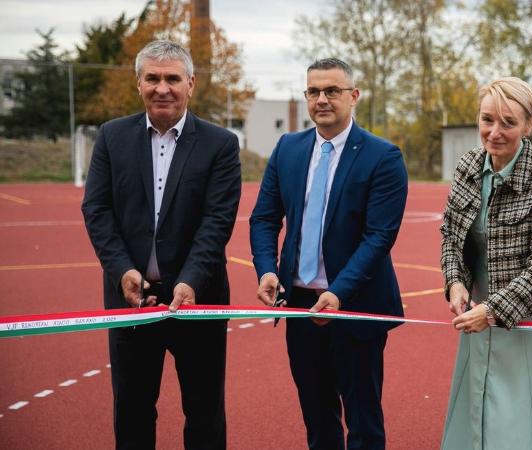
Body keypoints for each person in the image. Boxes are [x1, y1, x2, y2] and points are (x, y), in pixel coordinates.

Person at [81, 40, 241, 449]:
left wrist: (190, 280)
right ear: (139, 84)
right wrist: (122, 271)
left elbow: (216, 221)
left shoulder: (220, 144)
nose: (162, 88)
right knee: (132, 412)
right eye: (152, 78)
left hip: (198, 300)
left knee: (204, 414)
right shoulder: (112, 137)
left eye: (172, 78)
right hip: (131, 300)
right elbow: (97, 210)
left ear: (191, 83)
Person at [249, 57, 408, 450]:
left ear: (353, 96)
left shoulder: (383, 157)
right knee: (318, 420)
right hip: (301, 308)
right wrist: (267, 270)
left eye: (332, 91)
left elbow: (378, 238)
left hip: (354, 307)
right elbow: (264, 218)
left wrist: (338, 292)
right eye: (314, 91)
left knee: (363, 422)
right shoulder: (288, 148)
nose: (322, 99)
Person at [439, 77, 532, 450]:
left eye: (508, 122)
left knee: (519, 420)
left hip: (530, 316)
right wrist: (456, 283)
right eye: (488, 119)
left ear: (528, 125)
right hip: (478, 312)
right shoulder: (468, 166)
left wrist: (491, 310)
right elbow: (451, 237)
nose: (495, 132)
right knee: (478, 409)